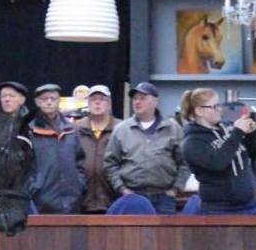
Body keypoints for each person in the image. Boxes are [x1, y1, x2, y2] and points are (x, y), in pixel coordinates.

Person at [103, 82, 190, 215]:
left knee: (163, 235)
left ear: (155, 101)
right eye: (135, 98)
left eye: (142, 98)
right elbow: (110, 163)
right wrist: (122, 189)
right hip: (132, 197)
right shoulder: (121, 129)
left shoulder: (173, 128)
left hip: (164, 198)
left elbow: (185, 162)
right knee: (132, 235)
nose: (137, 102)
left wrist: (175, 189)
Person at [179, 87, 256, 215]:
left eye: (219, 105)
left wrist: (252, 134)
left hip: (250, 205)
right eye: (215, 106)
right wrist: (238, 132)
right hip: (220, 210)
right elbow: (218, 162)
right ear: (199, 111)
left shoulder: (228, 129)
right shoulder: (192, 142)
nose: (220, 110)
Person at [28, 83, 86, 214]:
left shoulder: (71, 130)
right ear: (37, 102)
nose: (49, 102)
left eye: (53, 98)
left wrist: (79, 184)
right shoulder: (29, 131)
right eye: (44, 99)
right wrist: (34, 188)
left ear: (59, 100)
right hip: (41, 203)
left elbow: (80, 162)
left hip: (72, 202)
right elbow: (23, 167)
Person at [74, 85, 119, 213]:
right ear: (88, 104)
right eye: (93, 99)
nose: (97, 102)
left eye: (102, 99)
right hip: (81, 200)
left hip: (113, 199)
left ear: (109, 103)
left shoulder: (121, 129)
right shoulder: (75, 129)